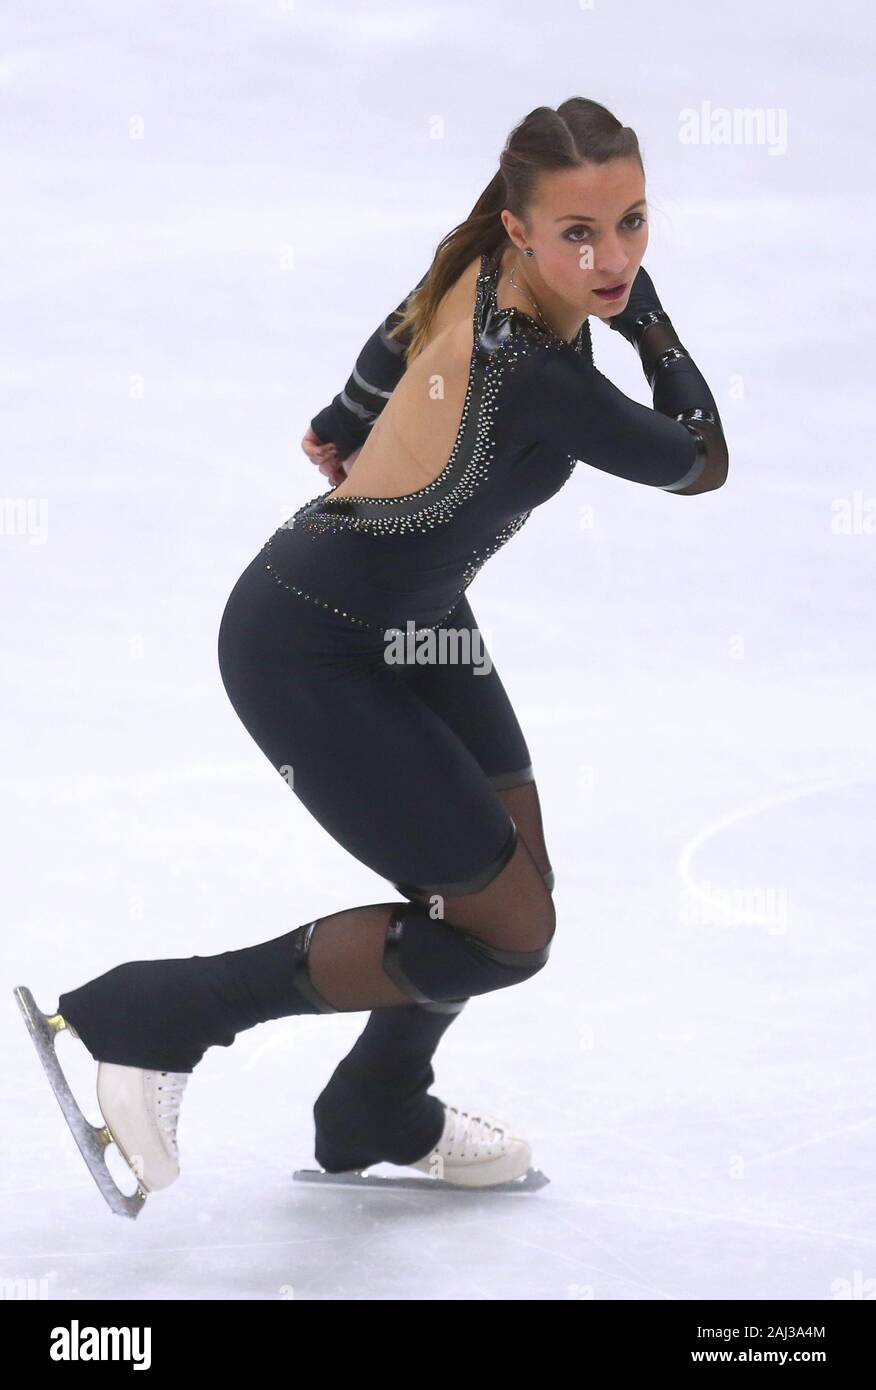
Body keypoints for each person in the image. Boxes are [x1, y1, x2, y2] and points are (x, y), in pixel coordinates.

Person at [53, 97, 729, 1196]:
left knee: (513, 889)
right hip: (306, 649)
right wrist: (649, 326)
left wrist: (349, 414)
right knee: (507, 934)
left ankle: (373, 1103)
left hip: (417, 614)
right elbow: (698, 460)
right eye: (580, 235)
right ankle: (157, 1009)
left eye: (635, 224)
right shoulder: (536, 369)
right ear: (520, 230)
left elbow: (393, 332)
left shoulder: (473, 262)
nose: (613, 259)